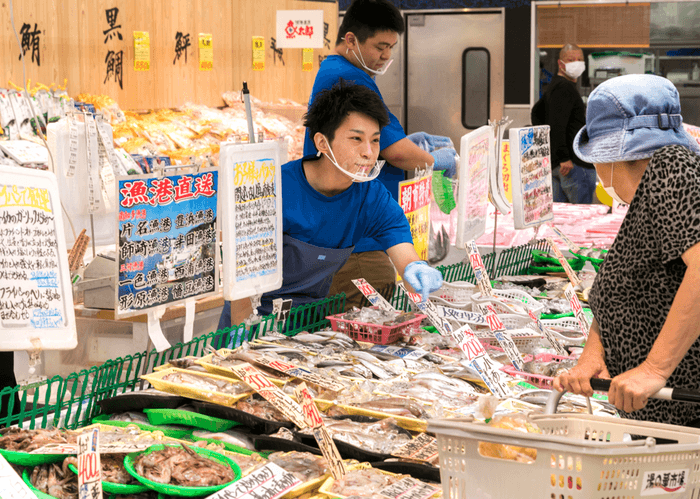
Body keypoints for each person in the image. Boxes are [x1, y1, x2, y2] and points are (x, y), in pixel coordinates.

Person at [217, 81, 443, 328]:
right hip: (252, 319)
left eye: (375, 140)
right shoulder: (273, 190)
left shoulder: (372, 197)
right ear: (322, 143)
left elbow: (404, 257)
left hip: (309, 322)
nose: (369, 152)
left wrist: (416, 271)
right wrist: (240, 339)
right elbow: (244, 275)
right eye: (356, 138)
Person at [553, 74, 700, 426]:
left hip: (683, 413)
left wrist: (654, 368)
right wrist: (594, 356)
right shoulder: (648, 195)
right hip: (654, 417)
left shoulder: (672, 167)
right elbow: (629, 288)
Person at [304, 0, 458, 308]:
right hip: (357, 241)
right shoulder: (345, 77)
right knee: (364, 329)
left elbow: (389, 145)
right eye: (380, 46)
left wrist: (405, 141)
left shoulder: (342, 71)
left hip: (359, 224)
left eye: (391, 47)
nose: (386, 55)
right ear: (351, 40)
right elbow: (396, 153)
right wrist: (435, 161)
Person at [533, 43, 596, 204]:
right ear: (561, 64)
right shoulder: (564, 88)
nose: (577, 62)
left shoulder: (554, 87)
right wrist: (563, 157)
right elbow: (557, 124)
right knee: (581, 217)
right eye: (571, 59)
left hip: (557, 165)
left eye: (580, 59)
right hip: (572, 165)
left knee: (562, 218)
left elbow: (536, 113)